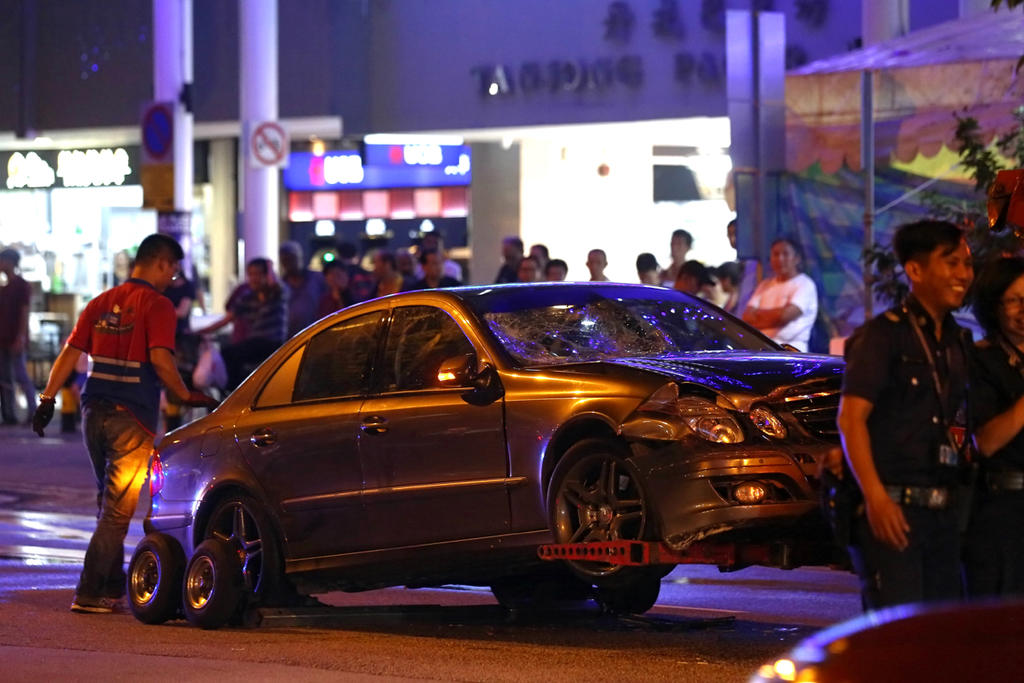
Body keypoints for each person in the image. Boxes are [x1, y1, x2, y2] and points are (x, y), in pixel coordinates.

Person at [30, 233, 216, 614]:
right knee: (118, 510)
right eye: (173, 271)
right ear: (161, 263)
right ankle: (90, 591)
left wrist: (47, 399)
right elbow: (161, 360)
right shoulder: (158, 305)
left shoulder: (100, 302)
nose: (172, 279)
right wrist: (185, 395)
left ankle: (111, 587)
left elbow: (71, 352)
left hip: (92, 413)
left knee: (107, 502)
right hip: (131, 417)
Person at [837, 219, 973, 610]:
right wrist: (876, 499)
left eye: (967, 263)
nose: (964, 274)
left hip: (944, 514)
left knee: (942, 637)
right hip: (893, 510)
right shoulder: (883, 335)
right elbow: (851, 420)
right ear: (915, 270)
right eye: (952, 263)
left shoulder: (958, 340)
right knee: (896, 639)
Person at [966, 256, 1024, 598]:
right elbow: (985, 442)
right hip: (1002, 509)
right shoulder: (981, 359)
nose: (1023, 309)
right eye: (1014, 300)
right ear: (993, 305)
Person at [195, 257, 288, 391]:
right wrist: (202, 331)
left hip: (273, 343)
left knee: (232, 354)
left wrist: (269, 267)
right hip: (255, 342)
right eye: (250, 274)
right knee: (227, 354)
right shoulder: (247, 297)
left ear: (266, 275)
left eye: (258, 274)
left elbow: (275, 284)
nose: (253, 278)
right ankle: (233, 391)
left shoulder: (277, 293)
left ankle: (234, 391)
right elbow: (226, 319)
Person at [742, 236, 818, 351]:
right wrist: (777, 314)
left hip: (791, 351)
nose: (780, 259)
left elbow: (785, 315)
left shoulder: (805, 284)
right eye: (775, 254)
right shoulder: (764, 285)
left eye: (785, 254)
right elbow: (747, 317)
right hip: (761, 350)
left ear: (797, 258)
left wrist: (758, 315)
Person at [0, 248, 36, 425]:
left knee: (20, 375)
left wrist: (21, 337)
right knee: (6, 378)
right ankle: (9, 414)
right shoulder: (5, 288)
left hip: (14, 337)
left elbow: (24, 312)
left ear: (9, 262)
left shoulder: (20, 286)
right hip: (4, 337)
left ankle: (33, 411)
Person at [279, 241, 326, 338]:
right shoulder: (281, 285)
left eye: (291, 258)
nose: (289, 263)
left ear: (300, 257)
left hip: (317, 333)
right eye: (285, 260)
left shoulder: (317, 278)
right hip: (291, 339)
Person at [727, 218, 762, 314]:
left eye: (736, 234)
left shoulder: (756, 262)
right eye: (729, 235)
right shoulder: (741, 263)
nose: (732, 239)